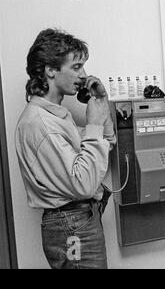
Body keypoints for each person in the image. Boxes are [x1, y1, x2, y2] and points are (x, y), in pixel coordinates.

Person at [15, 29, 116, 269]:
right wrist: (92, 123)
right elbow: (84, 183)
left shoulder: (57, 116)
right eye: (77, 67)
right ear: (51, 70)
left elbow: (108, 141)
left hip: (79, 219)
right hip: (70, 224)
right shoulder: (41, 124)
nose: (84, 75)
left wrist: (100, 102)